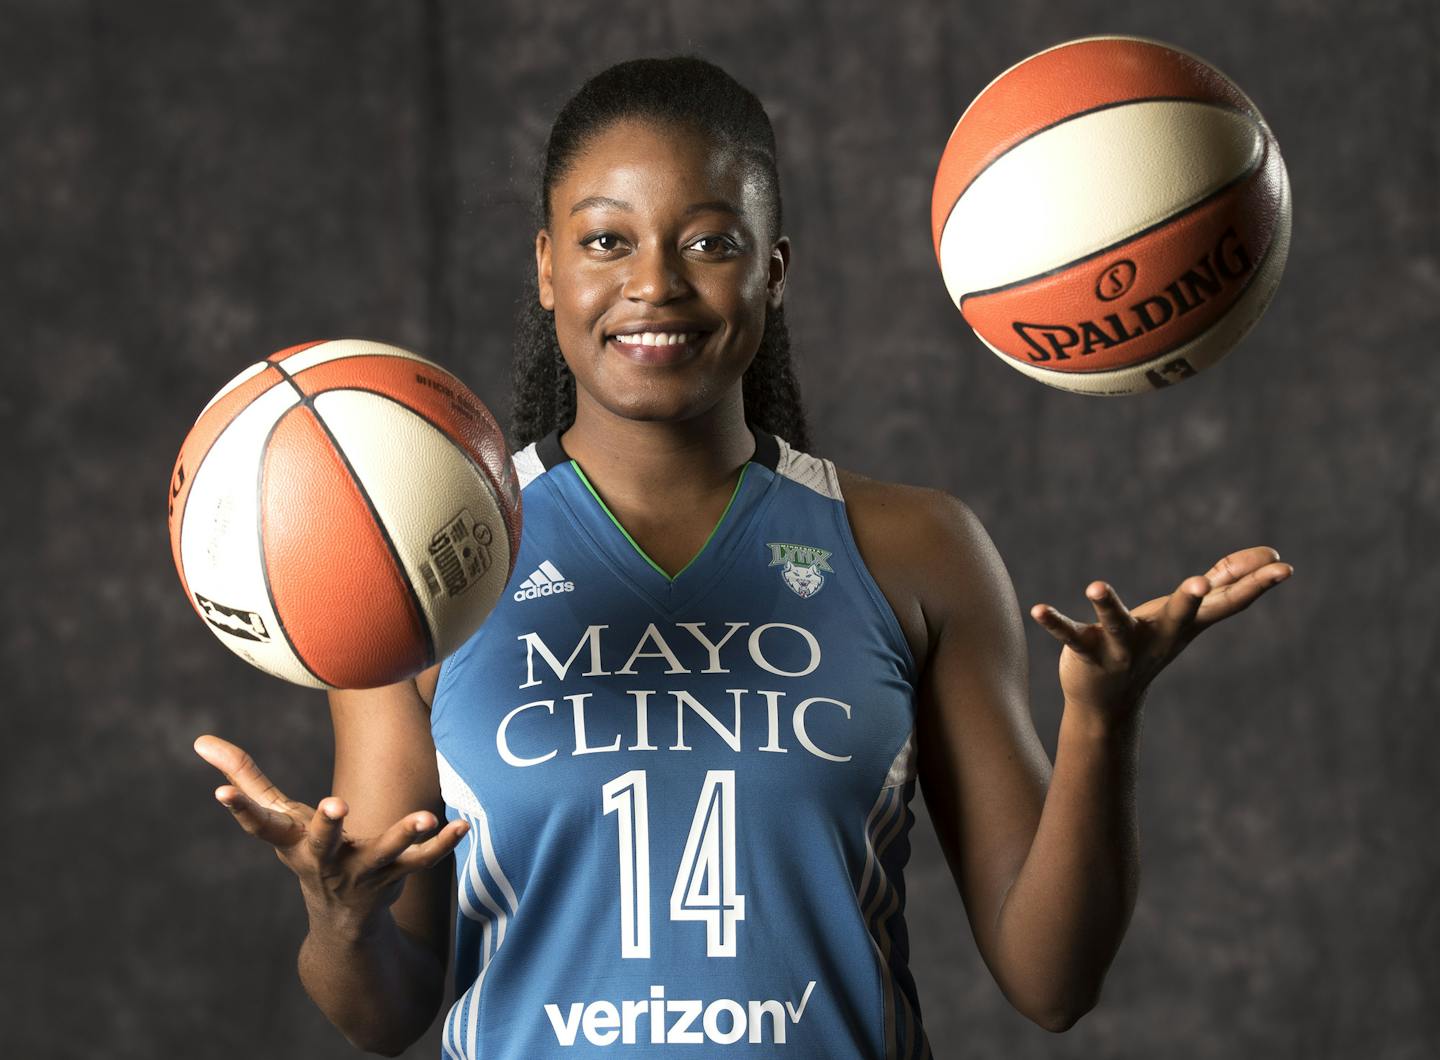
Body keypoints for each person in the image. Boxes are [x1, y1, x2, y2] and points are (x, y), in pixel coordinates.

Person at [193, 56, 1293, 1058]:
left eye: (711, 241)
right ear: (545, 268)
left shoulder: (915, 550)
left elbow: (1052, 982)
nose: (656, 283)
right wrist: (339, 918)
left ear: (775, 272)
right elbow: (385, 1008)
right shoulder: (424, 568)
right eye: (605, 239)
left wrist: (1103, 717)